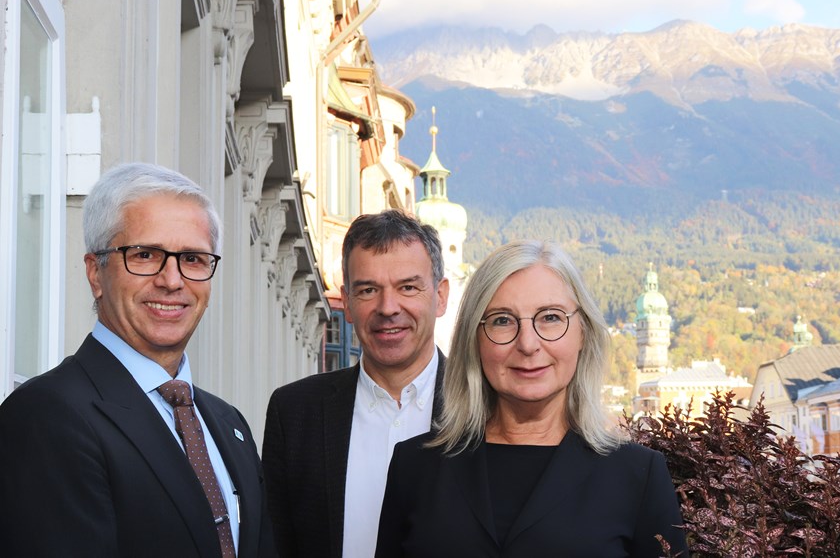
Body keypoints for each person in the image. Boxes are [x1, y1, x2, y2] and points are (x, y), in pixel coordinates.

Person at [0, 163, 275, 557]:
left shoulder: (227, 422)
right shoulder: (45, 415)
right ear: (96, 272)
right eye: (145, 255)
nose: (172, 280)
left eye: (193, 259)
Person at [375, 240, 689, 558]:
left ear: (583, 332)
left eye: (550, 317)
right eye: (501, 320)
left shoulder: (638, 475)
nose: (527, 344)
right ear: (475, 340)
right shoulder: (414, 468)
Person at [263, 209, 450, 557]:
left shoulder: (487, 408)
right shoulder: (294, 413)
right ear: (347, 303)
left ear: (440, 296)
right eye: (368, 290)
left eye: (407, 287)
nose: (388, 307)